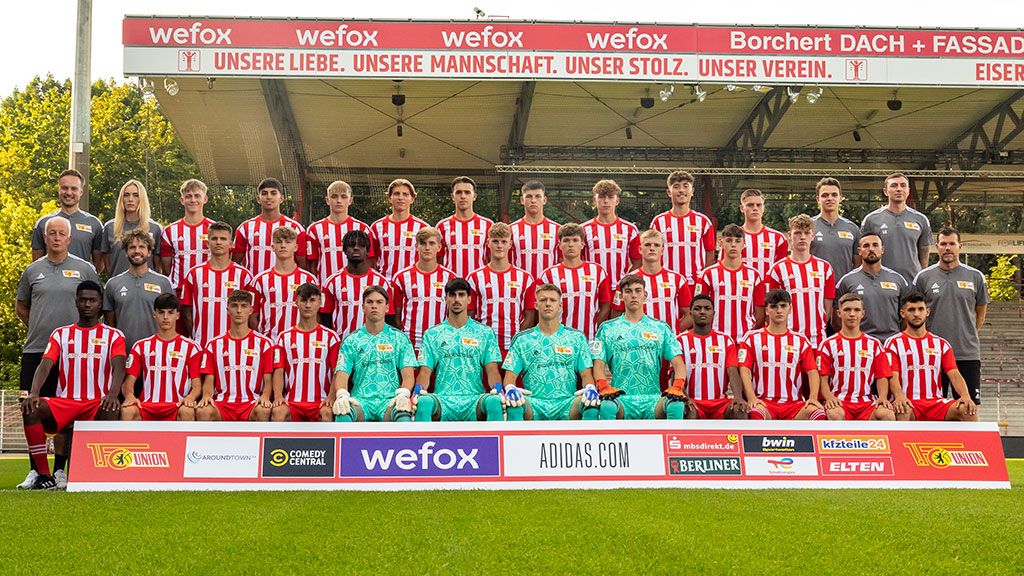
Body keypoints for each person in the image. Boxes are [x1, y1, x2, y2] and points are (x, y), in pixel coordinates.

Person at [15, 217, 101, 489]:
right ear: (45, 237)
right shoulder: (32, 270)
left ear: (69, 239)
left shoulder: (84, 268)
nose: (56, 237)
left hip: (73, 352)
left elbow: (95, 303)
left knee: (65, 407)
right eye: (51, 233)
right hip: (37, 349)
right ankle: (36, 470)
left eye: (61, 233)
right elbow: (21, 307)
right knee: (31, 405)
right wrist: (40, 328)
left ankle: (60, 470)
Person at [20, 281, 125, 490]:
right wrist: (34, 392)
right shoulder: (60, 334)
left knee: (112, 408)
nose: (87, 304)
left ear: (100, 303)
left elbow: (119, 366)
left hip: (96, 402)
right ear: (76, 302)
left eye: (92, 300)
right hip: (66, 402)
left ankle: (98, 471)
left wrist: (113, 394)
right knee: (31, 408)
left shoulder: (114, 335)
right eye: (83, 300)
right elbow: (45, 364)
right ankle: (44, 475)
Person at [592, 274, 688, 420]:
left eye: (638, 291)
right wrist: (604, 386)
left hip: (653, 399)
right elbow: (598, 365)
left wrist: (678, 386)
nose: (633, 295)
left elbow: (678, 363)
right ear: (621, 296)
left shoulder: (660, 328)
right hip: (622, 400)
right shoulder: (607, 329)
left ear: (645, 295)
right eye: (628, 291)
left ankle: (671, 436)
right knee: (607, 405)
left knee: (676, 404)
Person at [912, 227, 989, 405]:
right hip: (931, 355)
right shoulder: (923, 277)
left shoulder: (976, 276)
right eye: (943, 244)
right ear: (937, 247)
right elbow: (914, 312)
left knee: (968, 408)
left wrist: (966, 333)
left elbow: (980, 315)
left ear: (960, 246)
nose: (947, 248)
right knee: (930, 407)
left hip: (966, 354)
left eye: (952, 244)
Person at [500, 283, 596, 420]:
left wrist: (590, 387)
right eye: (543, 300)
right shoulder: (522, 340)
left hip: (568, 403)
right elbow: (509, 377)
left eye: (553, 300)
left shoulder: (577, 338)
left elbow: (586, 375)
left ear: (560, 305)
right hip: (533, 403)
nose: (548, 304)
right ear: (536, 305)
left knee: (591, 403)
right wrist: (510, 388)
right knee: (514, 403)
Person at [413, 279, 502, 421]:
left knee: (495, 401)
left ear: (469, 299)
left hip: (475, 399)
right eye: (452, 295)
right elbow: (424, 372)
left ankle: (497, 437)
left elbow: (492, 371)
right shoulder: (432, 334)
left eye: (461, 295)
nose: (457, 299)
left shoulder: (485, 333)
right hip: (442, 399)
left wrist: (498, 388)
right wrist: (418, 390)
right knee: (423, 402)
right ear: (445, 299)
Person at [885, 290, 978, 422]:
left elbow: (954, 374)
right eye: (911, 310)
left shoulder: (941, 344)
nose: (916, 314)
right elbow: (892, 376)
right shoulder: (893, 343)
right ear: (902, 313)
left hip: (935, 403)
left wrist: (965, 396)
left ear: (927, 312)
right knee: (902, 409)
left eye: (920, 309)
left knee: (968, 411)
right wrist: (899, 396)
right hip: (908, 402)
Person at [330, 286, 418, 422]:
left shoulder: (400, 339)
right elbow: (342, 375)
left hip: (390, 401)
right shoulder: (351, 340)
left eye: (379, 302)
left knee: (403, 413)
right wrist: (342, 395)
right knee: (343, 413)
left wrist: (404, 393)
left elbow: (408, 376)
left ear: (387, 307)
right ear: (363, 307)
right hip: (360, 401)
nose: (374, 306)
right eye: (369, 302)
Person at [738, 289, 825, 421]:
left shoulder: (801, 340)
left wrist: (813, 398)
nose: (779, 311)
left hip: (794, 405)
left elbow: (812, 372)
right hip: (764, 403)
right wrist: (751, 398)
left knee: (817, 413)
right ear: (766, 310)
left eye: (783, 306)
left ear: (790, 309)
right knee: (756, 413)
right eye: (774, 306)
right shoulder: (751, 338)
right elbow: (744, 370)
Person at [195, 290, 279, 422]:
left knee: (263, 410)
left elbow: (268, 380)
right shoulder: (213, 344)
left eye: (243, 306)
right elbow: (209, 381)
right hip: (223, 404)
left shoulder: (264, 343)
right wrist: (206, 395)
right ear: (228, 309)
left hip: (251, 403)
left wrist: (265, 396)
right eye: (234, 306)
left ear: (251, 310)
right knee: (203, 411)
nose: (239, 311)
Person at [120, 294, 202, 422]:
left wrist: (190, 397)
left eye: (170, 313)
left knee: (187, 411)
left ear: (178, 315)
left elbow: (197, 384)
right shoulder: (141, 346)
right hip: (147, 406)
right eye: (161, 312)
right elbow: (128, 382)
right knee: (127, 410)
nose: (165, 317)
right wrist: (130, 395)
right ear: (154, 314)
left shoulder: (192, 347)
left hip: (176, 405)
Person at [818, 293, 895, 421]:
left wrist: (882, 397)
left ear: (862, 313)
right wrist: (829, 397)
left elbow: (882, 376)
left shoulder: (874, 344)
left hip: (867, 403)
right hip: (839, 401)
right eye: (847, 310)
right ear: (839, 313)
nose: (852, 314)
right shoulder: (827, 344)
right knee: (835, 414)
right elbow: (823, 378)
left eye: (857, 310)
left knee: (887, 414)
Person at [271, 284, 340, 423]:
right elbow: (279, 370)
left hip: (320, 402)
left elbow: (336, 371)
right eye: (303, 300)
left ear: (320, 302)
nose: (308, 305)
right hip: (292, 402)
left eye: (312, 300)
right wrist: (278, 396)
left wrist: (331, 396)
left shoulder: (331, 337)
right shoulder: (283, 337)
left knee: (327, 413)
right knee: (278, 412)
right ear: (296, 302)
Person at [466, 222, 537, 358]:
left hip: (514, 348)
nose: (499, 246)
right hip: (484, 348)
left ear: (510, 244)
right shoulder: (474, 277)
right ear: (488, 243)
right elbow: (469, 315)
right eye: (495, 241)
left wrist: (516, 340)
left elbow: (529, 317)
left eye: (504, 242)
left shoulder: (525, 278)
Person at [180, 222, 253, 348]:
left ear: (231, 244)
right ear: (207, 243)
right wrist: (196, 336)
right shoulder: (194, 274)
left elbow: (251, 312)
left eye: (223, 239)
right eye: (214, 238)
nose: (218, 242)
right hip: (202, 345)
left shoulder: (244, 275)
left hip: (235, 346)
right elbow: (186, 311)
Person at [767, 214, 835, 348]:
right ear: (789, 235)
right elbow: (773, 308)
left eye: (806, 233)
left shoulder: (825, 268)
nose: (802, 237)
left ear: (812, 236)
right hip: (788, 340)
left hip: (817, 340)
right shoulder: (778, 269)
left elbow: (827, 309)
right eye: (797, 233)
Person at [537, 223, 612, 343]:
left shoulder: (598, 271)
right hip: (558, 340)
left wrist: (594, 327)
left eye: (575, 240)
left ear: (582, 244)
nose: (571, 244)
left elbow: (606, 305)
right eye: (566, 240)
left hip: (589, 340)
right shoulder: (548, 275)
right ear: (559, 245)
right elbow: (541, 309)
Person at [676, 294, 747, 419]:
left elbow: (732, 372)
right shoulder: (680, 341)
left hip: (720, 403)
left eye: (707, 308)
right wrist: (684, 397)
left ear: (713, 313)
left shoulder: (725, 340)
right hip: (694, 402)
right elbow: (676, 374)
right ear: (690, 313)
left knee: (739, 410)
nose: (702, 312)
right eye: (697, 309)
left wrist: (738, 397)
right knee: (689, 411)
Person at [103, 229, 174, 349]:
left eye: (142, 247)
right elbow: (110, 324)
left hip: (155, 352)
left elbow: (171, 321)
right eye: (132, 247)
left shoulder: (163, 283)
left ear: (149, 252)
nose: (137, 251)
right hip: (123, 352)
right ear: (126, 252)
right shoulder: (113, 284)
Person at [613, 228, 692, 333]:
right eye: (647, 245)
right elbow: (616, 315)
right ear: (640, 249)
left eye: (656, 245)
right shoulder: (626, 280)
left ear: (662, 251)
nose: (652, 248)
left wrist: (671, 333)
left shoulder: (677, 280)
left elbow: (689, 315)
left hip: (667, 342)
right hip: (639, 340)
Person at [320, 229, 394, 339]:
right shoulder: (331, 282)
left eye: (361, 245)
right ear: (344, 250)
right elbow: (325, 317)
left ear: (368, 250)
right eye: (351, 245)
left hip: (373, 345)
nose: (356, 248)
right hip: (343, 344)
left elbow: (389, 318)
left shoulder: (382, 282)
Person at [696, 224, 765, 341]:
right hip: (715, 340)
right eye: (729, 240)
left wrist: (750, 331)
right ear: (721, 243)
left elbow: (760, 312)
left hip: (745, 340)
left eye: (737, 241)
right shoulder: (707, 274)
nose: (733, 245)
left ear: (744, 244)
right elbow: (699, 309)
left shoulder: (754, 275)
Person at [392, 227, 456, 353]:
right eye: (423, 243)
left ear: (439, 247)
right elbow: (396, 317)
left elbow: (454, 313)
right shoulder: (401, 277)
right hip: (410, 346)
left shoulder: (450, 278)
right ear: (416, 246)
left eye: (431, 243)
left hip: (440, 346)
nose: (427, 248)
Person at [860, 172, 933, 283]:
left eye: (903, 185)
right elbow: (863, 251)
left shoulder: (921, 219)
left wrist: (920, 276)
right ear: (885, 191)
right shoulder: (871, 219)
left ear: (908, 191)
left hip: (911, 281)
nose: (899, 189)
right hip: (881, 282)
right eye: (894, 185)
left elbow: (924, 249)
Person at [247, 226, 317, 340]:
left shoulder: (309, 279)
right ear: (272, 247)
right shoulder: (259, 280)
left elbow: (316, 314)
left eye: (288, 242)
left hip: (300, 343)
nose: (283, 245)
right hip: (270, 343)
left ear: (296, 247)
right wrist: (264, 340)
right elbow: (252, 316)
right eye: (278, 242)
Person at [834, 234, 907, 342]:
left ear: (882, 249)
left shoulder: (898, 280)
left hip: (892, 342)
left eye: (875, 245)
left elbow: (907, 315)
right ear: (859, 251)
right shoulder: (846, 281)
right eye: (866, 246)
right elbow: (836, 319)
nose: (871, 249)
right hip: (860, 344)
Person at [649, 170, 715, 284]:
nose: (681, 190)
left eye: (685, 186)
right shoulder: (658, 222)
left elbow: (710, 251)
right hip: (666, 283)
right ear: (669, 192)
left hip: (695, 283)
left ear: (692, 191)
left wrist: (703, 278)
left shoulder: (703, 221)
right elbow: (651, 252)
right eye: (676, 186)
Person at [233, 177, 307, 277]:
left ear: (281, 198)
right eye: (264, 193)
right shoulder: (245, 228)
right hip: (253, 284)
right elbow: (235, 263)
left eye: (273, 193)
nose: (269, 197)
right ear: (258, 199)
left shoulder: (295, 228)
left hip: (286, 284)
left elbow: (302, 264)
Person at [30, 169, 103, 270]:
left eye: (74, 189)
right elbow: (37, 264)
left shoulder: (94, 224)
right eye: (64, 188)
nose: (69, 192)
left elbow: (99, 267)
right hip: (51, 279)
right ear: (58, 190)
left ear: (81, 192)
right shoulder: (43, 223)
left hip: (81, 279)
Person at [305, 180, 372, 286]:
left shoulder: (362, 228)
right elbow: (311, 263)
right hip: (325, 286)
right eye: (334, 196)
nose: (339, 201)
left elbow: (370, 261)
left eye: (344, 196)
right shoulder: (314, 229)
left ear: (350, 200)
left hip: (355, 286)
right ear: (327, 200)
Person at [582, 179, 640, 286]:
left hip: (619, 290)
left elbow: (638, 261)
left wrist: (625, 281)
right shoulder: (583, 229)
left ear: (617, 201)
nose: (606, 201)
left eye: (610, 197)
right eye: (601, 197)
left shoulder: (630, 229)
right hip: (592, 289)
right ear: (594, 200)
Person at [100, 179, 163, 278]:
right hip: (119, 284)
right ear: (121, 199)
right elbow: (107, 264)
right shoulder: (110, 227)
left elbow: (158, 266)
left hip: (147, 284)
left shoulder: (155, 228)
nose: (130, 199)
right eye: (126, 195)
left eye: (135, 195)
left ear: (142, 198)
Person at [160, 179, 214, 293]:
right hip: (178, 291)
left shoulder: (214, 229)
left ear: (205, 199)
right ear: (182, 200)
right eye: (188, 196)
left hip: (208, 290)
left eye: (197, 196)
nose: (193, 200)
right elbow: (166, 268)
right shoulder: (170, 231)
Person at [369, 178, 428, 280]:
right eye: (396, 194)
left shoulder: (422, 227)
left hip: (413, 282)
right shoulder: (377, 226)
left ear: (412, 199)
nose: (401, 198)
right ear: (390, 198)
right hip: (385, 283)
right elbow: (371, 259)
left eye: (405, 194)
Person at [436, 176, 493, 279]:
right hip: (451, 284)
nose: (463, 196)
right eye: (458, 192)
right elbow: (437, 260)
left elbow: (492, 258)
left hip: (479, 283)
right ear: (452, 197)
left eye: (467, 192)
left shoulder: (487, 225)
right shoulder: (442, 226)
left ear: (474, 196)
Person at [810, 177, 861, 282]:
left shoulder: (852, 228)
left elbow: (858, 264)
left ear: (840, 198)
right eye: (824, 195)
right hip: (816, 286)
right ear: (818, 199)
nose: (829, 198)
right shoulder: (808, 226)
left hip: (844, 287)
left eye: (834, 195)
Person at [510, 180, 560, 280]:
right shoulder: (511, 230)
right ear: (522, 200)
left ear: (544, 200)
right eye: (529, 196)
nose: (533, 200)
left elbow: (562, 261)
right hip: (520, 286)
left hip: (549, 286)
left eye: (538, 196)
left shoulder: (557, 230)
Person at [739, 188, 788, 280]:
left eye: (758, 205)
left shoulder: (778, 238)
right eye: (750, 205)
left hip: (769, 288)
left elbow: (782, 270)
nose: (755, 208)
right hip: (741, 287)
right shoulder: (733, 237)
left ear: (763, 208)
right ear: (742, 208)